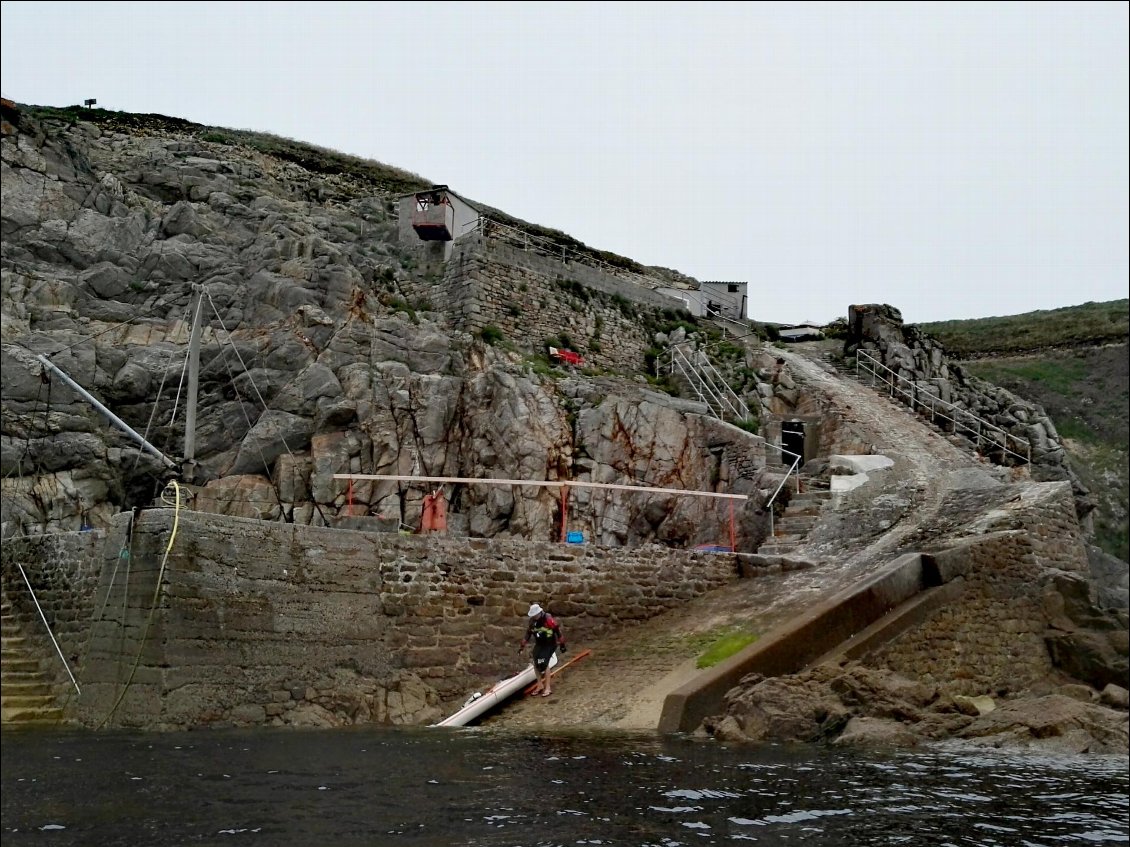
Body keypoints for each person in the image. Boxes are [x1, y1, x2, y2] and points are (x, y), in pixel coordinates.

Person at [518, 603, 566, 697]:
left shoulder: (548, 619)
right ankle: (539, 685)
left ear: (540, 612)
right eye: (533, 615)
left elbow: (558, 632)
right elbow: (528, 634)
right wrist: (522, 646)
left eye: (535, 615)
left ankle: (547, 687)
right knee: (536, 662)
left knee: (544, 662)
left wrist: (562, 645)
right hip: (540, 644)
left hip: (550, 643)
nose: (534, 617)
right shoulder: (532, 622)